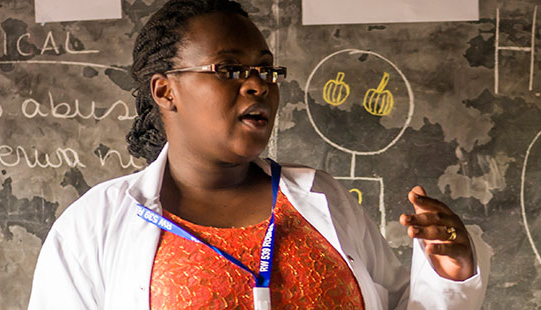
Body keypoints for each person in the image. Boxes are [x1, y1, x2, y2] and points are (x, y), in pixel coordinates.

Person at [27, 0, 490, 308]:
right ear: (166, 91)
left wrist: (450, 275)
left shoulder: (322, 198)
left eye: (266, 70)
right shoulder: (93, 225)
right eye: (228, 69)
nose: (258, 84)